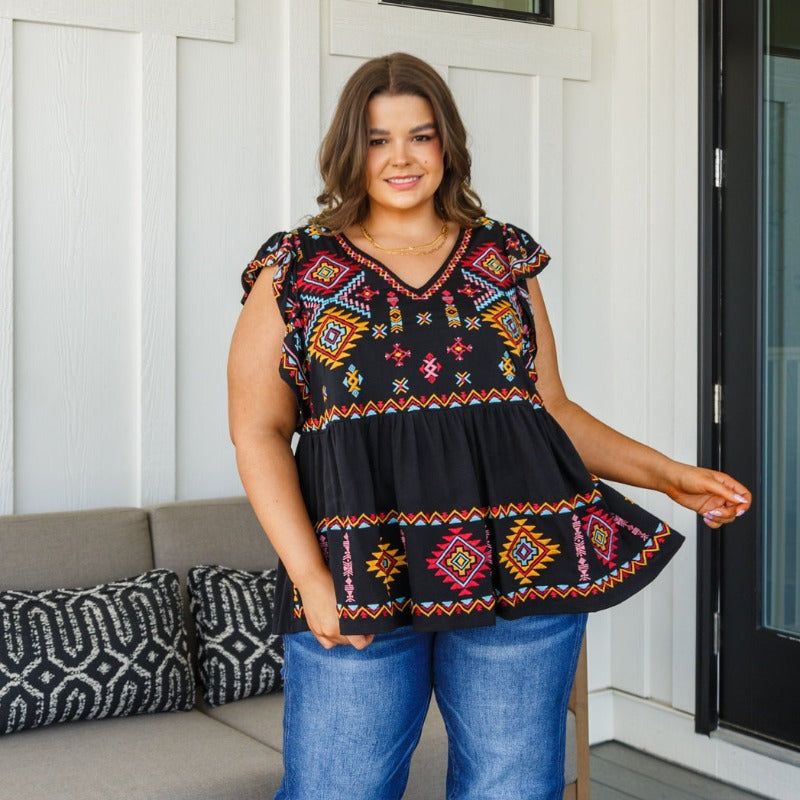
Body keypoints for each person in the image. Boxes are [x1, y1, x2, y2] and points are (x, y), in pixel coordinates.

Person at [228, 51, 751, 800]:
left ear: (449, 145)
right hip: (359, 572)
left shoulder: (503, 258)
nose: (402, 157)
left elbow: (550, 412)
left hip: (521, 564)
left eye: (422, 135)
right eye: (378, 139)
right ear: (350, 149)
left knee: (512, 788)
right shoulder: (296, 269)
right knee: (334, 789)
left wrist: (671, 476)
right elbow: (258, 433)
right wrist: (311, 576)